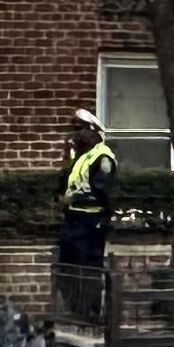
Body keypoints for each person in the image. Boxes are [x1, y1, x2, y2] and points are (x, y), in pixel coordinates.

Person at [54, 107, 118, 326]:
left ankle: (89, 314)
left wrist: (73, 199)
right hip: (72, 220)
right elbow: (64, 184)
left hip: (91, 222)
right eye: (75, 130)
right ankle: (74, 311)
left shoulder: (102, 157)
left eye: (81, 129)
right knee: (67, 266)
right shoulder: (77, 156)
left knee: (88, 268)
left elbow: (102, 191)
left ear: (94, 131)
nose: (76, 135)